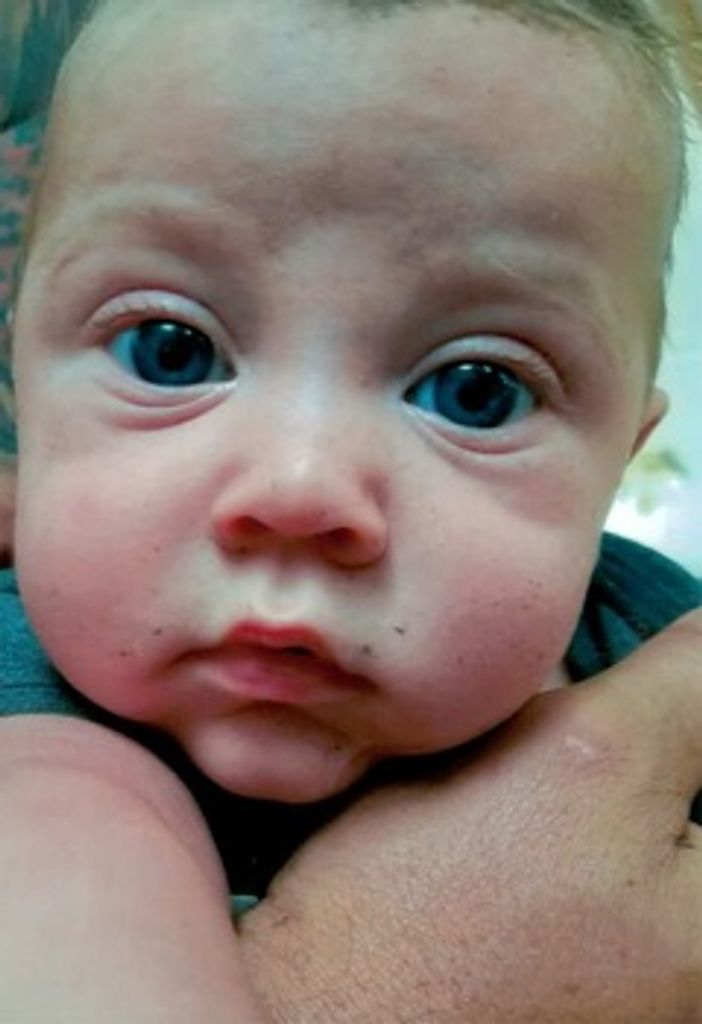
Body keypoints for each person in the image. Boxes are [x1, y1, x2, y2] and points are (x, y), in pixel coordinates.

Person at [1, 0, 701, 1019]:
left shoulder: (651, 645)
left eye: (476, 391)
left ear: (615, 466)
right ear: (24, 387)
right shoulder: (41, 739)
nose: (300, 487)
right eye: (172, 351)